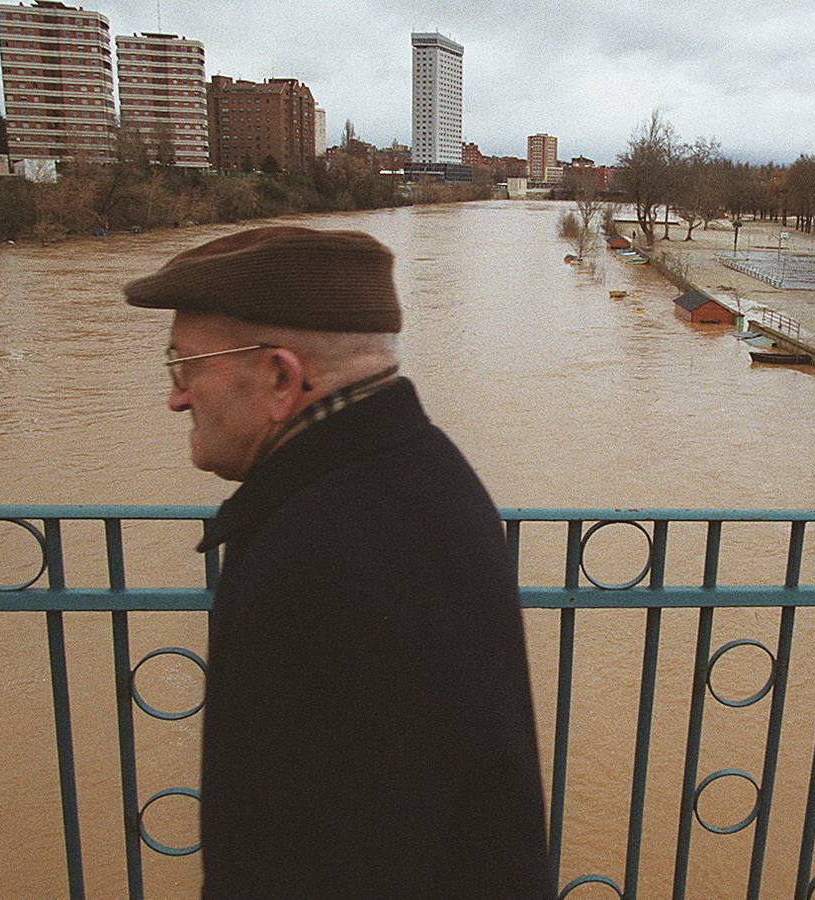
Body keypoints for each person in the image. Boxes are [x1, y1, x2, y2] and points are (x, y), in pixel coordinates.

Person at [123, 226, 551, 898]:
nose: (176, 396)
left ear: (280, 378)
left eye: (186, 365)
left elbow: (298, 862)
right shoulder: (425, 474)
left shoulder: (313, 560)